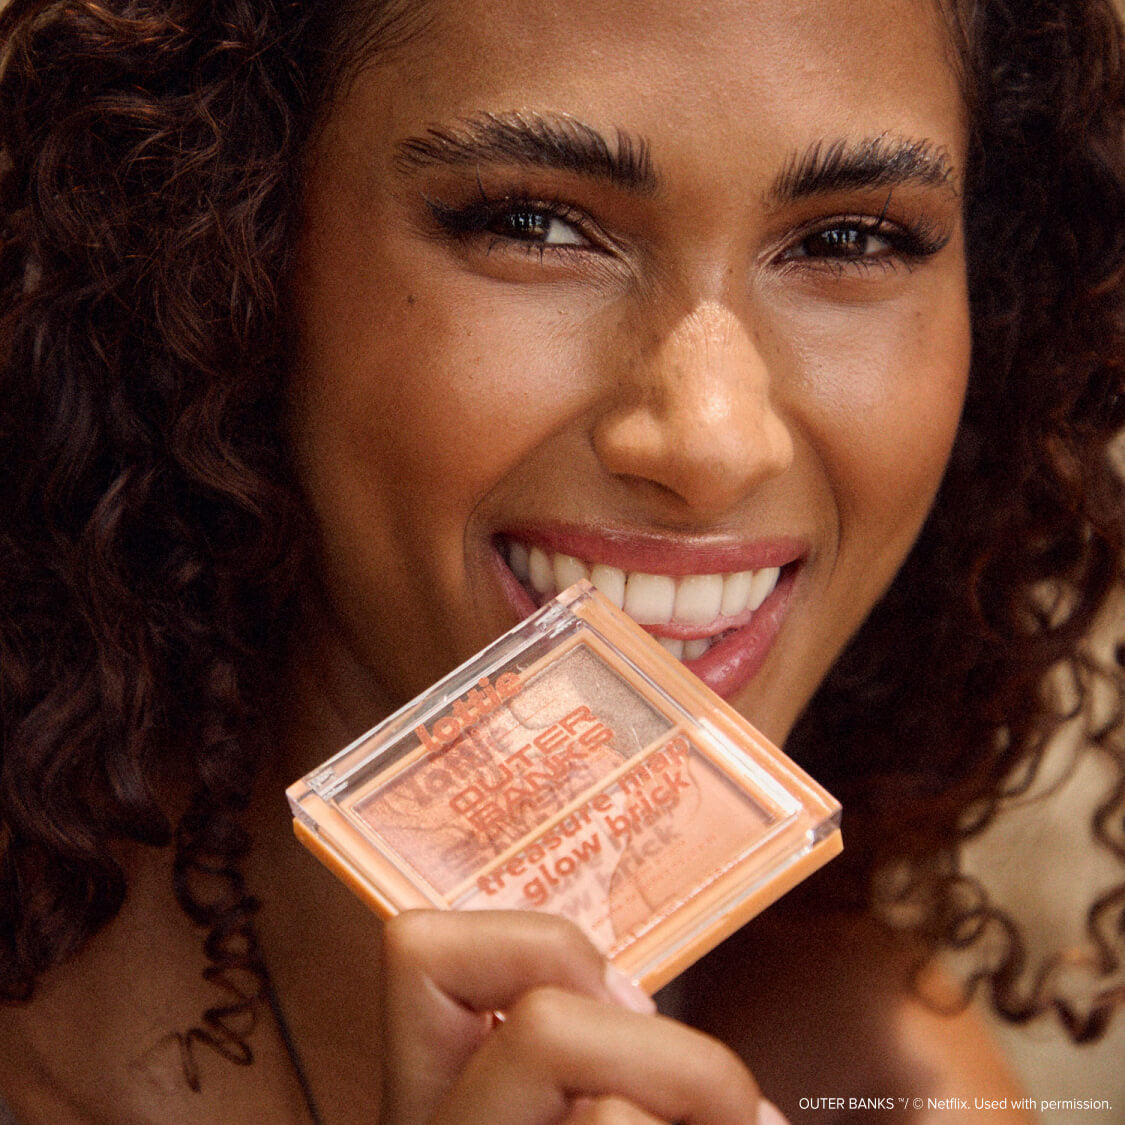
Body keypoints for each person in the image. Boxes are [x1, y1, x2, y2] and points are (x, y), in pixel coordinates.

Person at [0, 0, 1122, 1121]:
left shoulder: (868, 1066)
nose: (712, 440)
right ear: (224, 258)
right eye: (532, 224)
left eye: (850, 241)